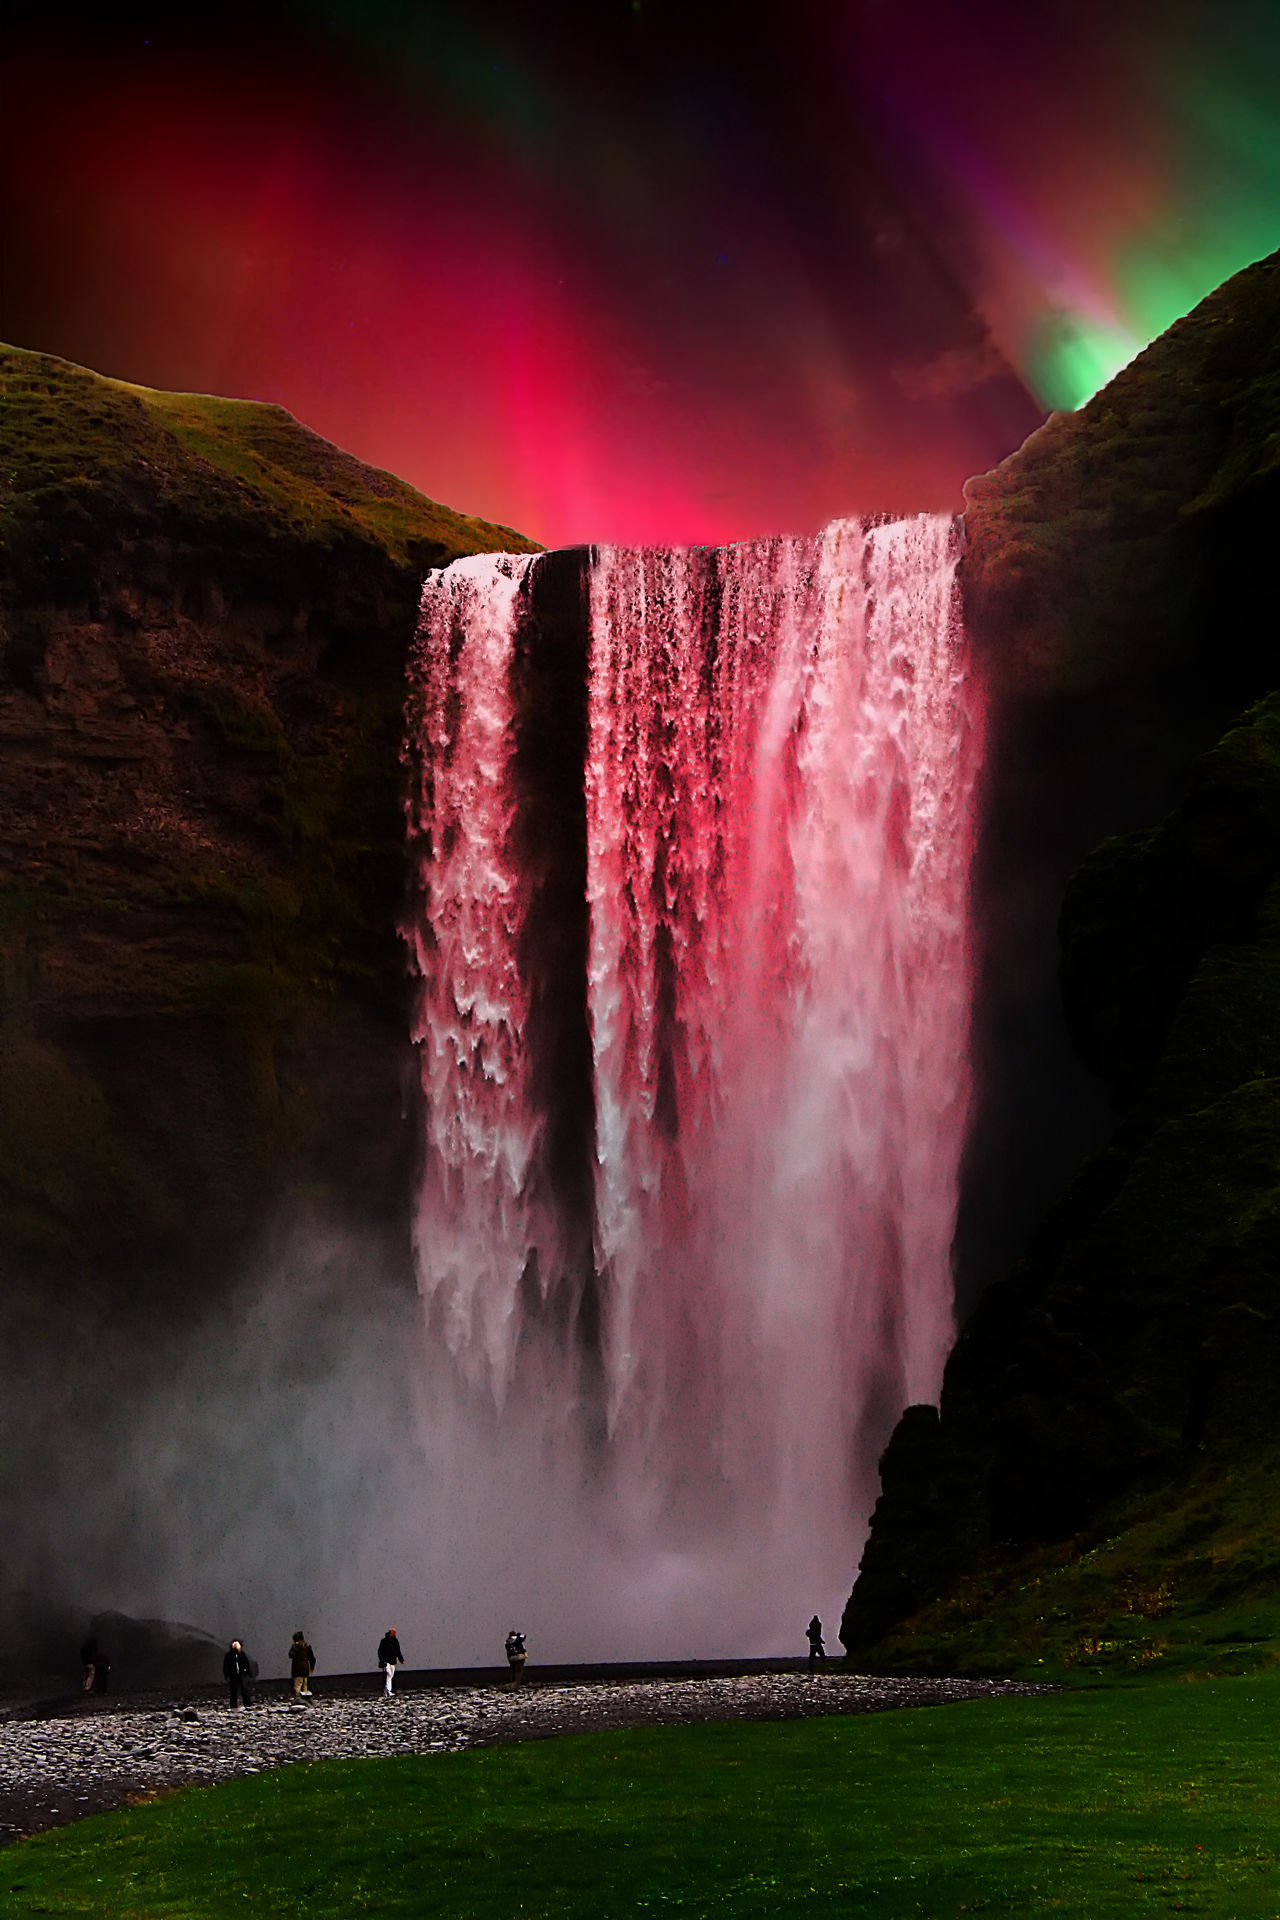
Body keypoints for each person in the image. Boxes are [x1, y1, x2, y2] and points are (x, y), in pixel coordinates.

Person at [224, 1639, 256, 1708]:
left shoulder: (241, 1654)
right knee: (234, 1692)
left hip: (241, 1675)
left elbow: (246, 1664)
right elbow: (226, 1666)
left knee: (244, 1691)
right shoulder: (229, 1655)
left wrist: (248, 1672)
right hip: (234, 1675)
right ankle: (234, 1706)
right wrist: (227, 1675)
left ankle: (247, 1704)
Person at [377, 1627, 404, 1698]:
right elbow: (380, 1651)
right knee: (389, 1674)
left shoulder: (395, 1641)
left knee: (391, 1675)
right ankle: (388, 1691)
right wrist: (382, 1660)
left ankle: (387, 1691)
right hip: (386, 1661)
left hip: (393, 1661)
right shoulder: (384, 1641)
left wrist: (401, 1659)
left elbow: (398, 1651)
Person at [288, 1630, 316, 1698]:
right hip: (305, 1669)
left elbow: (290, 1655)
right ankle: (306, 1698)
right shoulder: (307, 1646)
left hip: (297, 1669)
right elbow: (312, 1658)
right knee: (305, 1685)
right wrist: (312, 1668)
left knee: (297, 1686)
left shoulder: (295, 1646)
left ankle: (298, 1698)